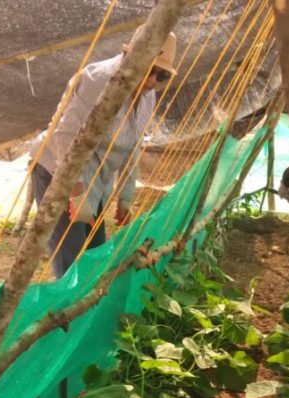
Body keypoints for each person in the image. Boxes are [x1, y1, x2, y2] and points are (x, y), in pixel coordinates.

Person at [28, 31, 178, 278]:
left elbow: (134, 145)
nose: (152, 80)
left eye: (161, 75)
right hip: (58, 172)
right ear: (131, 56)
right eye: (148, 69)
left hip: (94, 180)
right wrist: (76, 193)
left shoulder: (148, 95)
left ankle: (85, 309)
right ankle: (66, 314)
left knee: (96, 255)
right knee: (72, 261)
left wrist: (125, 199)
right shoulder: (100, 79)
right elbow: (65, 136)